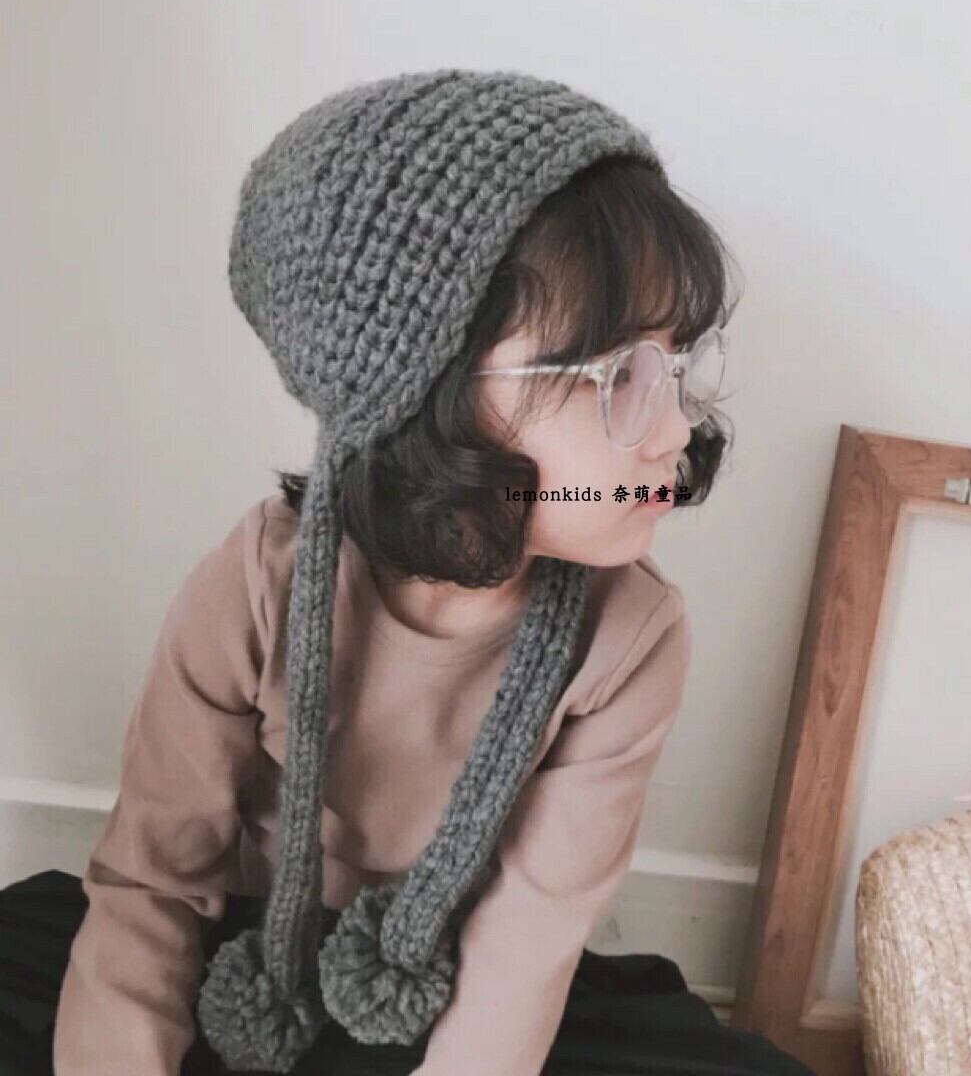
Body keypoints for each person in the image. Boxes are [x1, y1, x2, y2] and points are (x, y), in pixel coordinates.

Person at [0, 69, 814, 1075]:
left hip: (457, 980)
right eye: (616, 376)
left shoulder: (630, 636)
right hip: (254, 952)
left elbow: (526, 944)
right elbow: (153, 882)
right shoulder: (258, 581)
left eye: (678, 365)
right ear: (424, 388)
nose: (674, 428)